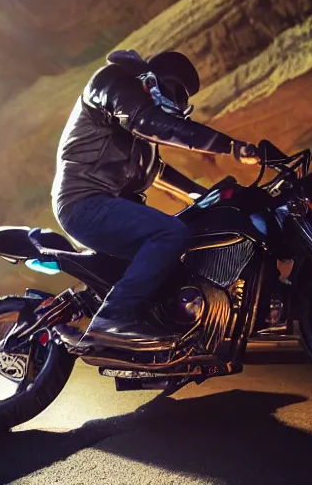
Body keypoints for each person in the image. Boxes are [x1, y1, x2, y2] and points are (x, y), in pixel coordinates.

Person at [51, 49, 259, 346]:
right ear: (154, 80)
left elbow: (158, 173)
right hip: (84, 202)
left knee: (186, 240)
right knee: (169, 233)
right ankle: (112, 320)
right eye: (176, 93)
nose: (177, 103)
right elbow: (152, 123)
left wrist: (207, 198)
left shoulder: (143, 141)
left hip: (112, 207)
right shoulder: (110, 82)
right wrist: (232, 147)